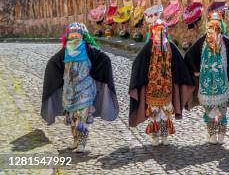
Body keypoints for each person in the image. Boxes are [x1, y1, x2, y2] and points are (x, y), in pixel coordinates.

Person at [41, 23, 119, 153]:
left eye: (77, 33)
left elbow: (103, 58)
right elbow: (53, 63)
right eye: (71, 34)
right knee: (72, 117)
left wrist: (102, 70)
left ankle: (82, 143)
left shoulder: (88, 49)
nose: (74, 36)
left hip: (85, 89)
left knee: (82, 116)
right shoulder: (65, 52)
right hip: (70, 91)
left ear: (83, 35)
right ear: (68, 36)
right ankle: (75, 140)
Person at [128, 19, 194, 146]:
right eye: (158, 31)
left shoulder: (169, 46)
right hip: (152, 86)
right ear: (153, 32)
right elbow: (139, 62)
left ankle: (164, 133)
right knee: (153, 111)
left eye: (162, 31)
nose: (160, 33)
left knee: (166, 111)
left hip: (166, 86)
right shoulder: (149, 46)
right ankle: (154, 134)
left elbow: (178, 62)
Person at [183, 12, 229, 144]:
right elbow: (189, 56)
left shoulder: (225, 42)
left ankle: (221, 133)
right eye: (211, 27)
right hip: (206, 85)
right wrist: (195, 71)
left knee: (222, 110)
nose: (213, 31)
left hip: (222, 84)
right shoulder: (202, 42)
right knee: (209, 111)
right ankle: (211, 134)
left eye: (216, 27)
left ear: (220, 27)